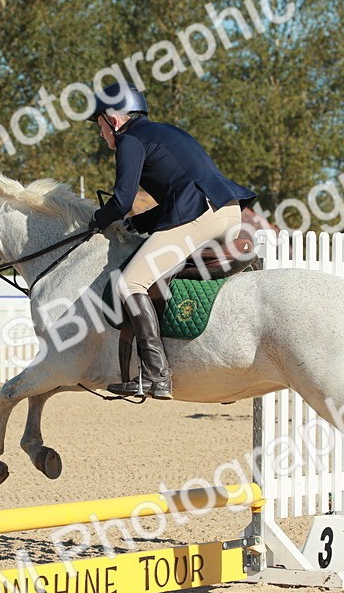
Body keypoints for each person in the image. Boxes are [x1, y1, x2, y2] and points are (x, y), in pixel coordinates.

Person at [87, 83, 256, 399]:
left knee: (130, 284)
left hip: (199, 217)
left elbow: (122, 200)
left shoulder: (129, 140)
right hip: (229, 211)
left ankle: (156, 375)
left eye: (100, 125)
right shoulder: (167, 132)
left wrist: (97, 221)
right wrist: (137, 223)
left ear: (114, 119)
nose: (100, 133)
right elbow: (176, 197)